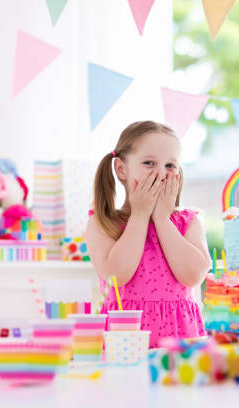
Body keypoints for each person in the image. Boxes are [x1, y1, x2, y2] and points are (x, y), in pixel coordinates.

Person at [86, 120, 211, 347]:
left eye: (170, 166)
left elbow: (193, 275)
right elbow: (116, 276)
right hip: (124, 342)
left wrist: (162, 220)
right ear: (121, 169)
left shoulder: (189, 222)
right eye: (149, 163)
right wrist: (140, 216)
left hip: (181, 344)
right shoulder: (102, 222)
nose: (161, 174)